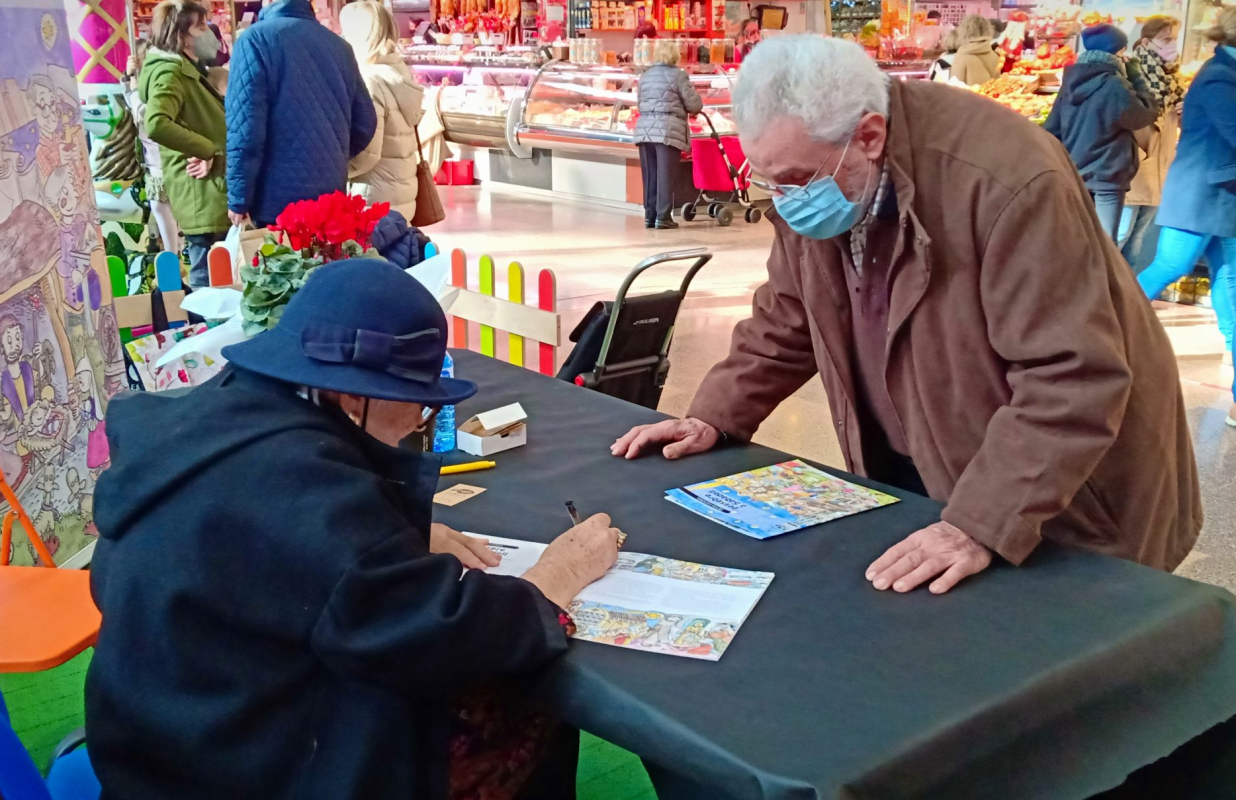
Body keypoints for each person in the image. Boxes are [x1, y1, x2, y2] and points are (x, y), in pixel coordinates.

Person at [611, 36, 1200, 596]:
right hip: (934, 465)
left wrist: (980, 522)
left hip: (1058, 494)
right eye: (768, 180)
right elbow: (789, 316)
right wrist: (713, 415)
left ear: (869, 137)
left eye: (793, 181)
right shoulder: (825, 167)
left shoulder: (1006, 178)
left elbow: (1072, 377)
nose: (785, 201)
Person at [86, 258, 624, 799]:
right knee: (523, 696)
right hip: (247, 772)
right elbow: (436, 634)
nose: (419, 421)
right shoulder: (308, 489)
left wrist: (386, 539)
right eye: (419, 400)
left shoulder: (203, 418)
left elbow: (280, 558)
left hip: (154, 751)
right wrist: (555, 577)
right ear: (353, 396)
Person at [1137, 8, 1236, 425]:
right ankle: (1102, 333)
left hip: (1222, 199)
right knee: (1171, 266)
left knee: (1231, 288)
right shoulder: (1219, 78)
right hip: (1199, 196)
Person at [226, 0, 377, 228]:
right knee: (326, 251)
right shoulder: (340, 46)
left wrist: (238, 198)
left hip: (275, 201)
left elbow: (245, 131)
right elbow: (365, 122)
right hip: (330, 196)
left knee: (277, 252)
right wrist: (331, 154)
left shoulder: (254, 40)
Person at [138, 0, 230, 288]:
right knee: (206, 276)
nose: (208, 33)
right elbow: (157, 123)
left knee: (218, 272)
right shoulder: (170, 72)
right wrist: (205, 149)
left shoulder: (189, 69)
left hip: (210, 188)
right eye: (200, 27)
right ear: (181, 35)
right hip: (200, 188)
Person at [1044, 24, 1159, 240]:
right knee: (1106, 243)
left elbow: (1052, 127)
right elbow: (1143, 115)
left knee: (1080, 238)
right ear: (1117, 51)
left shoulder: (1070, 81)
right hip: (1108, 173)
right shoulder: (1115, 84)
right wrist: (1137, 77)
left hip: (1076, 171)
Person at [341, 1, 424, 220]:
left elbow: (368, 153)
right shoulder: (398, 72)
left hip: (372, 198)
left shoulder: (371, 80)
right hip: (399, 192)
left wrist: (337, 170)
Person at [1118, 15, 1186, 265]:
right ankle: (1100, 286)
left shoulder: (1174, 79)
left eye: (1174, 39)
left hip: (1160, 167)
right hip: (1134, 167)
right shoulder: (1130, 74)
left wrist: (1185, 112)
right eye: (1166, 39)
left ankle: (1126, 287)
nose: (1172, 45)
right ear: (1146, 42)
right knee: (1120, 235)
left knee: (1137, 238)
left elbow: (1176, 124)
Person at [633, 38, 702, 230]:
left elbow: (640, 103)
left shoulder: (645, 76)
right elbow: (694, 104)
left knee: (650, 176)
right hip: (668, 130)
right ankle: (663, 217)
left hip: (645, 129)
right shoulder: (679, 76)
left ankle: (650, 216)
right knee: (665, 175)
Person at [124, 40, 181, 256]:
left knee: (163, 207)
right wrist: (128, 78)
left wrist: (132, 89)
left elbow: (145, 115)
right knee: (160, 207)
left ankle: (174, 253)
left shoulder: (160, 88)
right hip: (154, 159)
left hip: (165, 157)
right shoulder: (144, 88)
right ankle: (172, 253)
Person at [948, 15, 1001, 86]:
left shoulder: (961, 56)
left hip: (969, 93)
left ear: (964, 31)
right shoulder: (994, 56)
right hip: (989, 92)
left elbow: (955, 87)